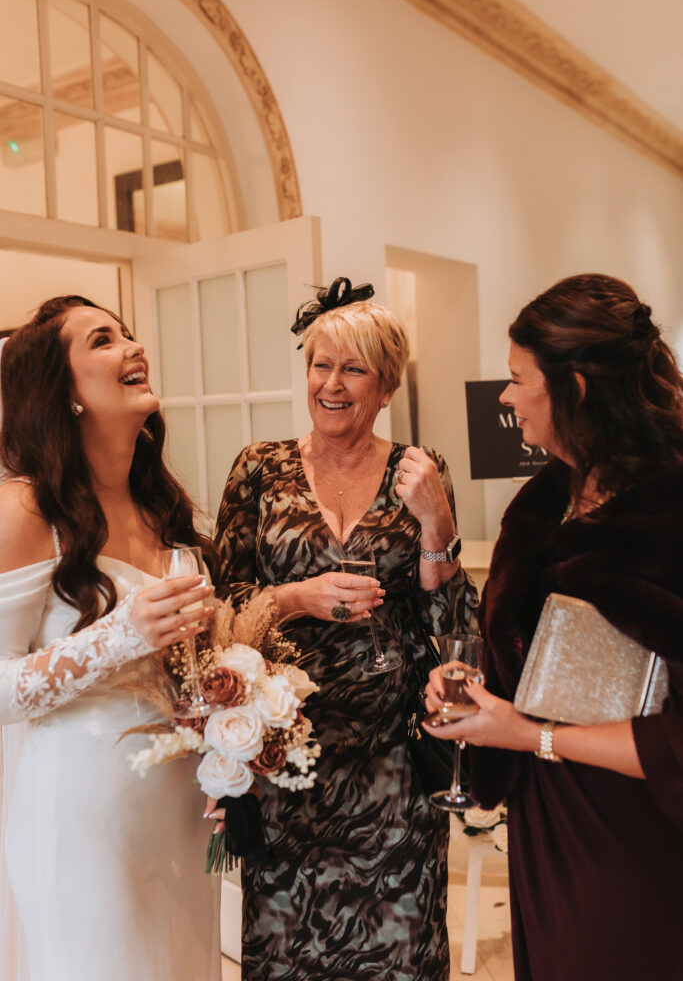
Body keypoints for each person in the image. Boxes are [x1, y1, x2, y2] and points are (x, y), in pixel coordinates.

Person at [211, 277, 478, 980]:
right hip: (283, 760)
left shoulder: (419, 472)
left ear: (385, 385)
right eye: (319, 365)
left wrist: (437, 525)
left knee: (398, 954)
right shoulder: (259, 470)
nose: (330, 383)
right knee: (287, 954)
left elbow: (451, 626)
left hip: (389, 767)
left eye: (352, 368)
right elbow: (221, 605)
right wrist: (296, 596)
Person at [425, 273, 683, 981]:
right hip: (546, 816)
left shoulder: (668, 513)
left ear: (572, 388)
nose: (503, 398)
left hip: (636, 831)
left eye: (515, 379)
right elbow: (535, 657)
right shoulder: (545, 501)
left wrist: (529, 735)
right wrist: (477, 692)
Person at [0, 296, 222, 981]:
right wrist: (119, 636)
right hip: (83, 815)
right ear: (64, 392)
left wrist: (232, 728)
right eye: (104, 340)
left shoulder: (161, 506)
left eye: (128, 334)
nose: (133, 348)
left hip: (183, 813)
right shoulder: (28, 509)